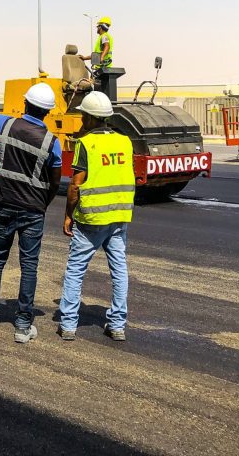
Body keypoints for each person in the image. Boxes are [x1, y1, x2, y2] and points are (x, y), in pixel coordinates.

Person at [0, 82, 62, 344]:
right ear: (48, 112)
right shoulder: (51, 143)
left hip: (4, 205)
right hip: (33, 209)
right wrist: (44, 203)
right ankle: (22, 325)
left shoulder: (7, 125)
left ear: (25, 104)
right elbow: (55, 181)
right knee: (29, 266)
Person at [58, 91, 135, 342]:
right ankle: (117, 325)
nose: (80, 120)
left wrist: (69, 215)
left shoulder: (85, 143)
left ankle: (68, 324)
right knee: (119, 270)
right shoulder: (124, 141)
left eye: (83, 115)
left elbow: (75, 185)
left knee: (76, 270)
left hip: (91, 218)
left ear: (90, 117)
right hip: (120, 215)